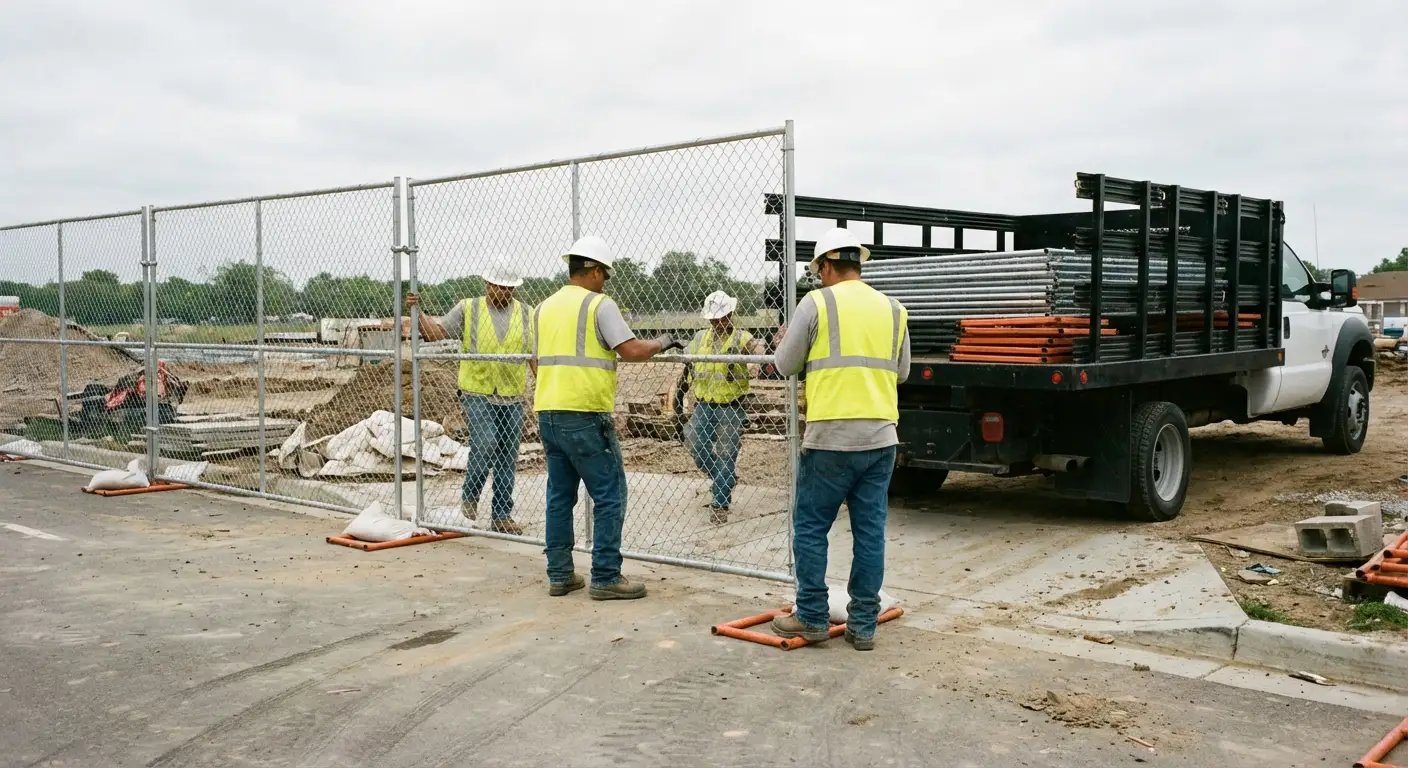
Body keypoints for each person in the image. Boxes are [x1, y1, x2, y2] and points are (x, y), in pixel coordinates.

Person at [769, 227, 910, 651]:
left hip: (831, 436)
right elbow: (901, 373)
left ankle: (811, 617)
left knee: (811, 527)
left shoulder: (817, 303)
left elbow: (784, 363)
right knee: (870, 532)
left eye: (819, 271)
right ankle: (863, 625)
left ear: (825, 265)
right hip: (881, 436)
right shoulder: (893, 308)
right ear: (858, 263)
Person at [533, 235, 684, 600]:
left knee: (559, 495)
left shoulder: (543, 307)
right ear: (597, 271)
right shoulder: (599, 305)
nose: (606, 282)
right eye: (606, 275)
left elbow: (535, 363)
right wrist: (663, 341)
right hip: (585, 413)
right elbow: (630, 350)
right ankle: (604, 575)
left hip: (548, 411)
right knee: (610, 494)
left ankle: (560, 574)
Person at [408, 264, 533, 536]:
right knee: (486, 442)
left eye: (509, 287)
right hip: (477, 391)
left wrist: (544, 387)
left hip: (511, 394)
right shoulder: (469, 308)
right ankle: (469, 501)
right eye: (499, 286)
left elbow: (533, 353)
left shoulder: (526, 314)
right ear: (487, 284)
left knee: (507, 455)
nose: (504, 291)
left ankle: (501, 515)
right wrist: (418, 313)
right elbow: (434, 334)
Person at [685, 290, 765, 524]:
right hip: (705, 403)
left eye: (722, 317)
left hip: (731, 405)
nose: (718, 322)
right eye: (714, 318)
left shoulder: (741, 338)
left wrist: (757, 358)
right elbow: (685, 361)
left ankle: (720, 502)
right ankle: (725, 478)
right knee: (696, 444)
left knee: (727, 453)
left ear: (731, 314)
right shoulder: (700, 338)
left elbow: (757, 348)